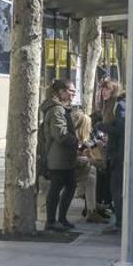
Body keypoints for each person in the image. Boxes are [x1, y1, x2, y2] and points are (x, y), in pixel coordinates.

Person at [41, 79, 79, 232]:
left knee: (69, 186)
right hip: (58, 157)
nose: (73, 95)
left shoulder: (61, 109)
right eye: (71, 91)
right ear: (61, 92)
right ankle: (51, 221)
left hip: (63, 157)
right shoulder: (57, 110)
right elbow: (60, 134)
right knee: (56, 189)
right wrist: (77, 140)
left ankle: (61, 218)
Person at [97, 80, 126, 234]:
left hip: (119, 154)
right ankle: (120, 221)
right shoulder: (110, 106)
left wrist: (102, 127)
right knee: (116, 189)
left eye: (107, 89)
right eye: (102, 89)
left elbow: (121, 129)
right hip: (115, 151)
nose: (104, 92)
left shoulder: (118, 106)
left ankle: (120, 223)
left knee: (117, 189)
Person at [71, 109, 108, 224]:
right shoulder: (74, 139)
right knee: (92, 172)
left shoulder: (82, 139)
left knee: (93, 172)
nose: (90, 129)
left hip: (77, 166)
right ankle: (92, 208)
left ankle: (92, 208)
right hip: (71, 167)